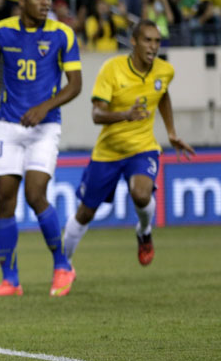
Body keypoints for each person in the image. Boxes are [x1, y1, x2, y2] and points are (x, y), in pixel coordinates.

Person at [0, 0, 82, 297]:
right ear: (22, 1)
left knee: (35, 194)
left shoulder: (62, 34)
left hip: (45, 126)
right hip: (7, 124)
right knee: (4, 199)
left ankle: (62, 266)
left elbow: (75, 85)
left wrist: (44, 107)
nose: (46, 2)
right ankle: (10, 281)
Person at [62, 21, 194, 272]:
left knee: (141, 193)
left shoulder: (165, 71)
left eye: (157, 41)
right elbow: (96, 115)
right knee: (85, 213)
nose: (153, 46)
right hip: (107, 152)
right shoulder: (112, 69)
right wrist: (125, 115)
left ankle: (144, 232)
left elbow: (162, 93)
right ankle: (64, 265)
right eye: (147, 40)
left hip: (142, 148)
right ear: (133, 41)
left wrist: (171, 132)